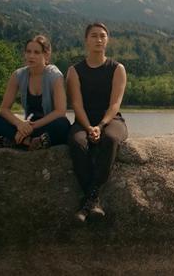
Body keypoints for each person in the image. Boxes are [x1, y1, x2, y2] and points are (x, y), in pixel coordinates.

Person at [67, 22, 128, 223]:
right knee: (77, 142)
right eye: (94, 36)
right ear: (86, 41)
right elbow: (76, 104)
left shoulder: (117, 68)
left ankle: (90, 200)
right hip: (83, 120)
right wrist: (88, 128)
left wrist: (100, 126)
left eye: (102, 36)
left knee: (110, 140)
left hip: (112, 120)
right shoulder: (75, 71)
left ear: (107, 40)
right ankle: (93, 200)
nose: (99, 39)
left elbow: (115, 104)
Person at [0, 35, 70, 150]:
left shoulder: (55, 76)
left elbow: (60, 112)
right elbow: (4, 109)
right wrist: (19, 124)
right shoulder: (18, 75)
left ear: (46, 55)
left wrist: (32, 127)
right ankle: (29, 142)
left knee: (63, 124)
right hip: (25, 126)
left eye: (36, 52)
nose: (31, 56)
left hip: (44, 126)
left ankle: (15, 140)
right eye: (28, 52)